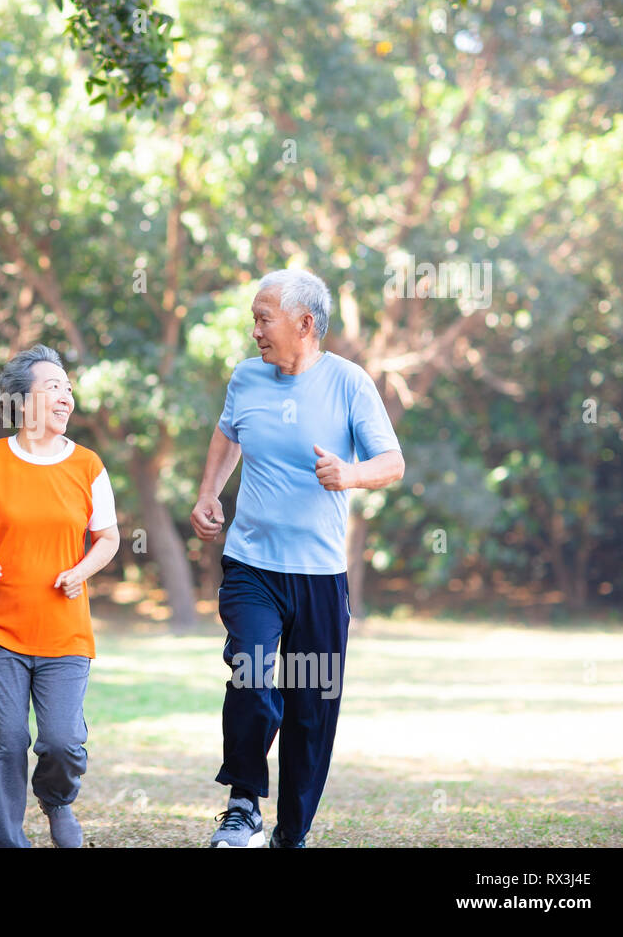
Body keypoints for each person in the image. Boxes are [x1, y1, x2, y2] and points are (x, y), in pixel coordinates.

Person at [191, 269, 405, 848]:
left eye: (264, 318)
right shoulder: (247, 379)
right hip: (252, 566)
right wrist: (209, 492)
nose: (255, 329)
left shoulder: (348, 383)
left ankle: (293, 832)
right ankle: (242, 805)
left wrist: (350, 473)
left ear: (304, 324)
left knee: (312, 711)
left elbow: (392, 463)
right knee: (252, 674)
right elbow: (227, 435)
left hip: (318, 575)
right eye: (255, 318)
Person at [0, 344, 120, 848]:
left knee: (61, 742)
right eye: (53, 387)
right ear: (23, 403)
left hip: (66, 632)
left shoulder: (87, 466)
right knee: (6, 742)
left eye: (68, 388)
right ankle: (4, 839)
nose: (66, 396)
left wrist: (82, 570)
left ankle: (57, 800)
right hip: (0, 631)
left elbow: (109, 538)